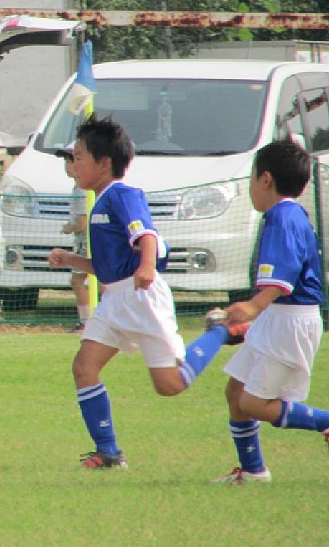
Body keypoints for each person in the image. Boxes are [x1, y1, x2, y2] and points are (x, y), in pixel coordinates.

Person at [49, 114, 247, 470]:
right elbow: (109, 267)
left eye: (78, 157)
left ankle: (221, 331)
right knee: (84, 367)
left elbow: (147, 235)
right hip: (115, 299)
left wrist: (146, 266)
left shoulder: (122, 195)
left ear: (104, 163)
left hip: (141, 298)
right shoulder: (99, 203)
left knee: (169, 385)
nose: (73, 166)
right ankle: (108, 452)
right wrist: (72, 260)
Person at [211, 139, 329, 485]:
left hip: (290, 320)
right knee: (236, 392)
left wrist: (252, 307)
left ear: (265, 179)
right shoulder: (288, 214)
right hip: (278, 317)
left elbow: (284, 274)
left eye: (251, 178)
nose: (251, 187)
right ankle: (253, 471)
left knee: (253, 403)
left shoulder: (282, 216)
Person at [50, 144, 90, 333]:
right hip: (87, 242)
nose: (68, 166)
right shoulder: (80, 187)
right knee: (102, 284)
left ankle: (87, 322)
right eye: (66, 161)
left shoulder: (82, 189)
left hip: (87, 243)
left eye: (72, 161)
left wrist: (69, 228)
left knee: (78, 281)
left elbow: (82, 222)